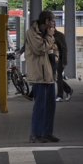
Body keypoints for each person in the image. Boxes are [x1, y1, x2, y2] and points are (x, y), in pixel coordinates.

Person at [24, 10, 59, 143]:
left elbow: (54, 48)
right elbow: (39, 49)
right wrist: (50, 37)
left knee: (50, 106)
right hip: (39, 75)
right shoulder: (32, 33)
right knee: (40, 106)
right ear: (46, 21)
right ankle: (36, 134)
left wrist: (55, 56)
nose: (54, 24)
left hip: (49, 75)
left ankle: (47, 133)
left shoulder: (47, 34)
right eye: (52, 21)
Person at [53, 27, 73, 102]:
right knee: (57, 77)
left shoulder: (60, 35)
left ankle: (60, 95)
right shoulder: (48, 36)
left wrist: (64, 61)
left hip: (60, 60)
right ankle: (68, 90)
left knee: (58, 77)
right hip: (53, 60)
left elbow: (64, 49)